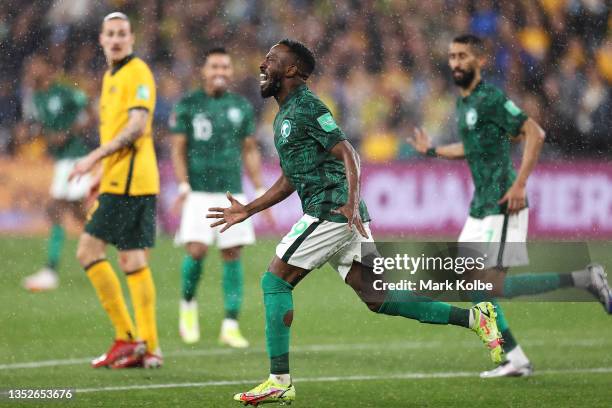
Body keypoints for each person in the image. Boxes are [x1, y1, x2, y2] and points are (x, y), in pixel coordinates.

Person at [208, 39, 504, 406]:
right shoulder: (284, 115)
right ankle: (476, 318)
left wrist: (348, 203)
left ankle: (279, 380)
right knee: (378, 297)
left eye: (271, 60)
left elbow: (348, 152)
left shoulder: (307, 107)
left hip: (331, 210)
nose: (262, 65)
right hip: (340, 213)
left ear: (293, 70)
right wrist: (249, 209)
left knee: (274, 280)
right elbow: (291, 177)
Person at [408, 34, 612, 378]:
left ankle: (582, 281)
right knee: (470, 281)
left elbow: (535, 133)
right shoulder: (465, 102)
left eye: (463, 56)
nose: (456, 62)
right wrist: (434, 151)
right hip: (481, 204)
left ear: (480, 61)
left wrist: (519, 184)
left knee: (487, 286)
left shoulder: (489, 98)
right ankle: (515, 355)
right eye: (452, 56)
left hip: (503, 202)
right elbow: (472, 147)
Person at [69, 11, 162, 369]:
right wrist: (101, 173)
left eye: (123, 33)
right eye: (111, 33)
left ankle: (127, 337)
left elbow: (137, 127)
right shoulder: (112, 76)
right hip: (122, 178)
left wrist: (95, 156)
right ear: (101, 39)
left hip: (130, 182)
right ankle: (149, 347)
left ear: (131, 39)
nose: (117, 39)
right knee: (132, 260)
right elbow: (118, 132)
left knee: (88, 251)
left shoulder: (137, 73)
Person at [170, 47, 270, 347]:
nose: (220, 72)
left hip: (231, 192)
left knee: (232, 254)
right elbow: (178, 149)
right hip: (199, 192)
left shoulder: (240, 106)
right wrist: (184, 186)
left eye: (225, 67)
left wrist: (259, 189)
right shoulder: (188, 104)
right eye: (214, 66)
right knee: (197, 250)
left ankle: (230, 324)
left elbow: (249, 149)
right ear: (204, 70)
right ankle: (187, 306)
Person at [21, 55, 93, 292]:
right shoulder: (37, 97)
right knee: (77, 211)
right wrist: (38, 133)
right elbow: (45, 125)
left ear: (47, 68)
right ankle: (106, 238)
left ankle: (51, 270)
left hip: (76, 157)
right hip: (61, 159)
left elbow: (89, 110)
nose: (31, 69)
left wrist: (69, 132)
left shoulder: (63, 92)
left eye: (35, 65)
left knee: (55, 208)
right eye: (30, 66)